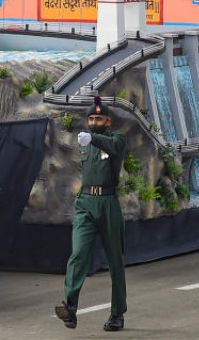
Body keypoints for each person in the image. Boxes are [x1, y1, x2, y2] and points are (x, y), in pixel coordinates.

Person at [55, 97, 127, 332]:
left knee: (115, 260)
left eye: (99, 118)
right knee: (78, 254)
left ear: (108, 120)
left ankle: (117, 313)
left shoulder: (117, 139)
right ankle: (70, 308)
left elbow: (113, 148)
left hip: (108, 203)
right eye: (91, 119)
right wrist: (90, 140)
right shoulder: (84, 143)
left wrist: (93, 138)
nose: (94, 122)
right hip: (85, 202)